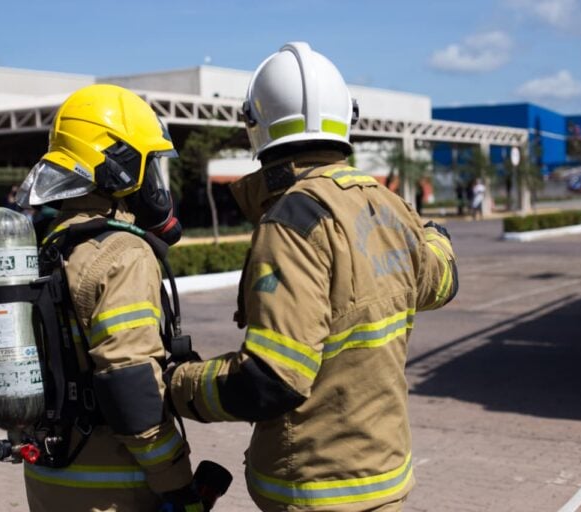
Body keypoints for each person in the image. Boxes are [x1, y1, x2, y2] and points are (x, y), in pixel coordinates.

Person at [167, 42, 459, 512]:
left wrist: (177, 384)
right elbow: (441, 281)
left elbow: (271, 381)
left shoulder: (292, 222)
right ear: (346, 118)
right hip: (385, 480)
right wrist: (436, 234)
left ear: (254, 126)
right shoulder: (390, 206)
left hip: (314, 488)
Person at [15, 84, 202, 512]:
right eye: (148, 164)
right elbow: (131, 390)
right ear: (119, 167)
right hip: (115, 491)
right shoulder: (122, 253)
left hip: (50, 478)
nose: (155, 185)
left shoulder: (50, 245)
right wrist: (178, 485)